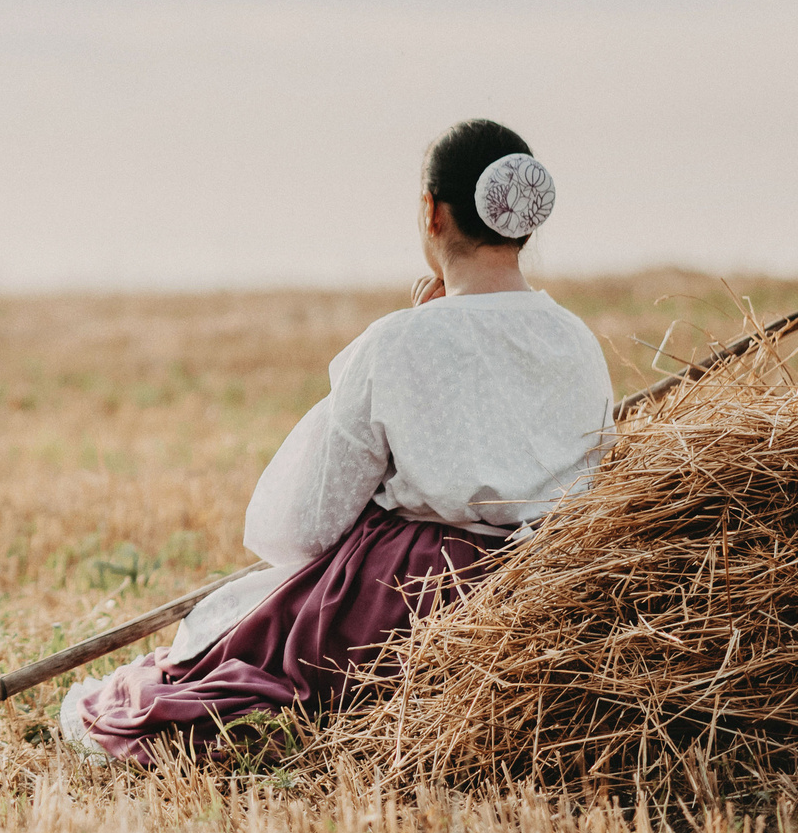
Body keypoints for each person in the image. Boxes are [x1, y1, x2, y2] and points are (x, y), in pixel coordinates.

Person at [59, 119, 612, 763]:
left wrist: (419, 328)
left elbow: (304, 524)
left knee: (231, 671)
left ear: (431, 213)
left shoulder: (398, 343)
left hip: (415, 595)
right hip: (550, 583)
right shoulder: (575, 338)